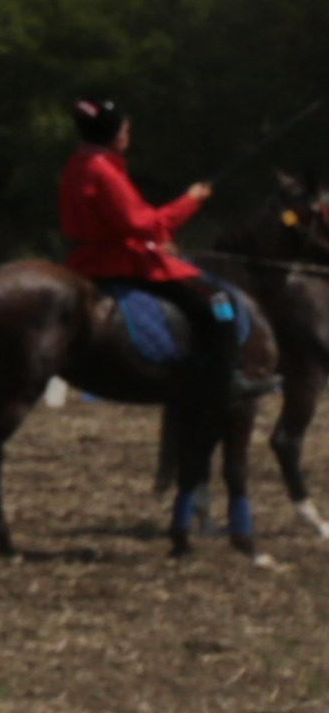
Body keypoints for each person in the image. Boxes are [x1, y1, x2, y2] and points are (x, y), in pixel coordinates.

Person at [59, 91, 245, 542]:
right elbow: (141, 224)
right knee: (219, 303)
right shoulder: (103, 169)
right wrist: (190, 201)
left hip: (90, 259)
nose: (128, 134)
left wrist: (156, 237)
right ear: (110, 133)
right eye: (124, 129)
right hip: (125, 263)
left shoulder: (78, 163)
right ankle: (223, 380)